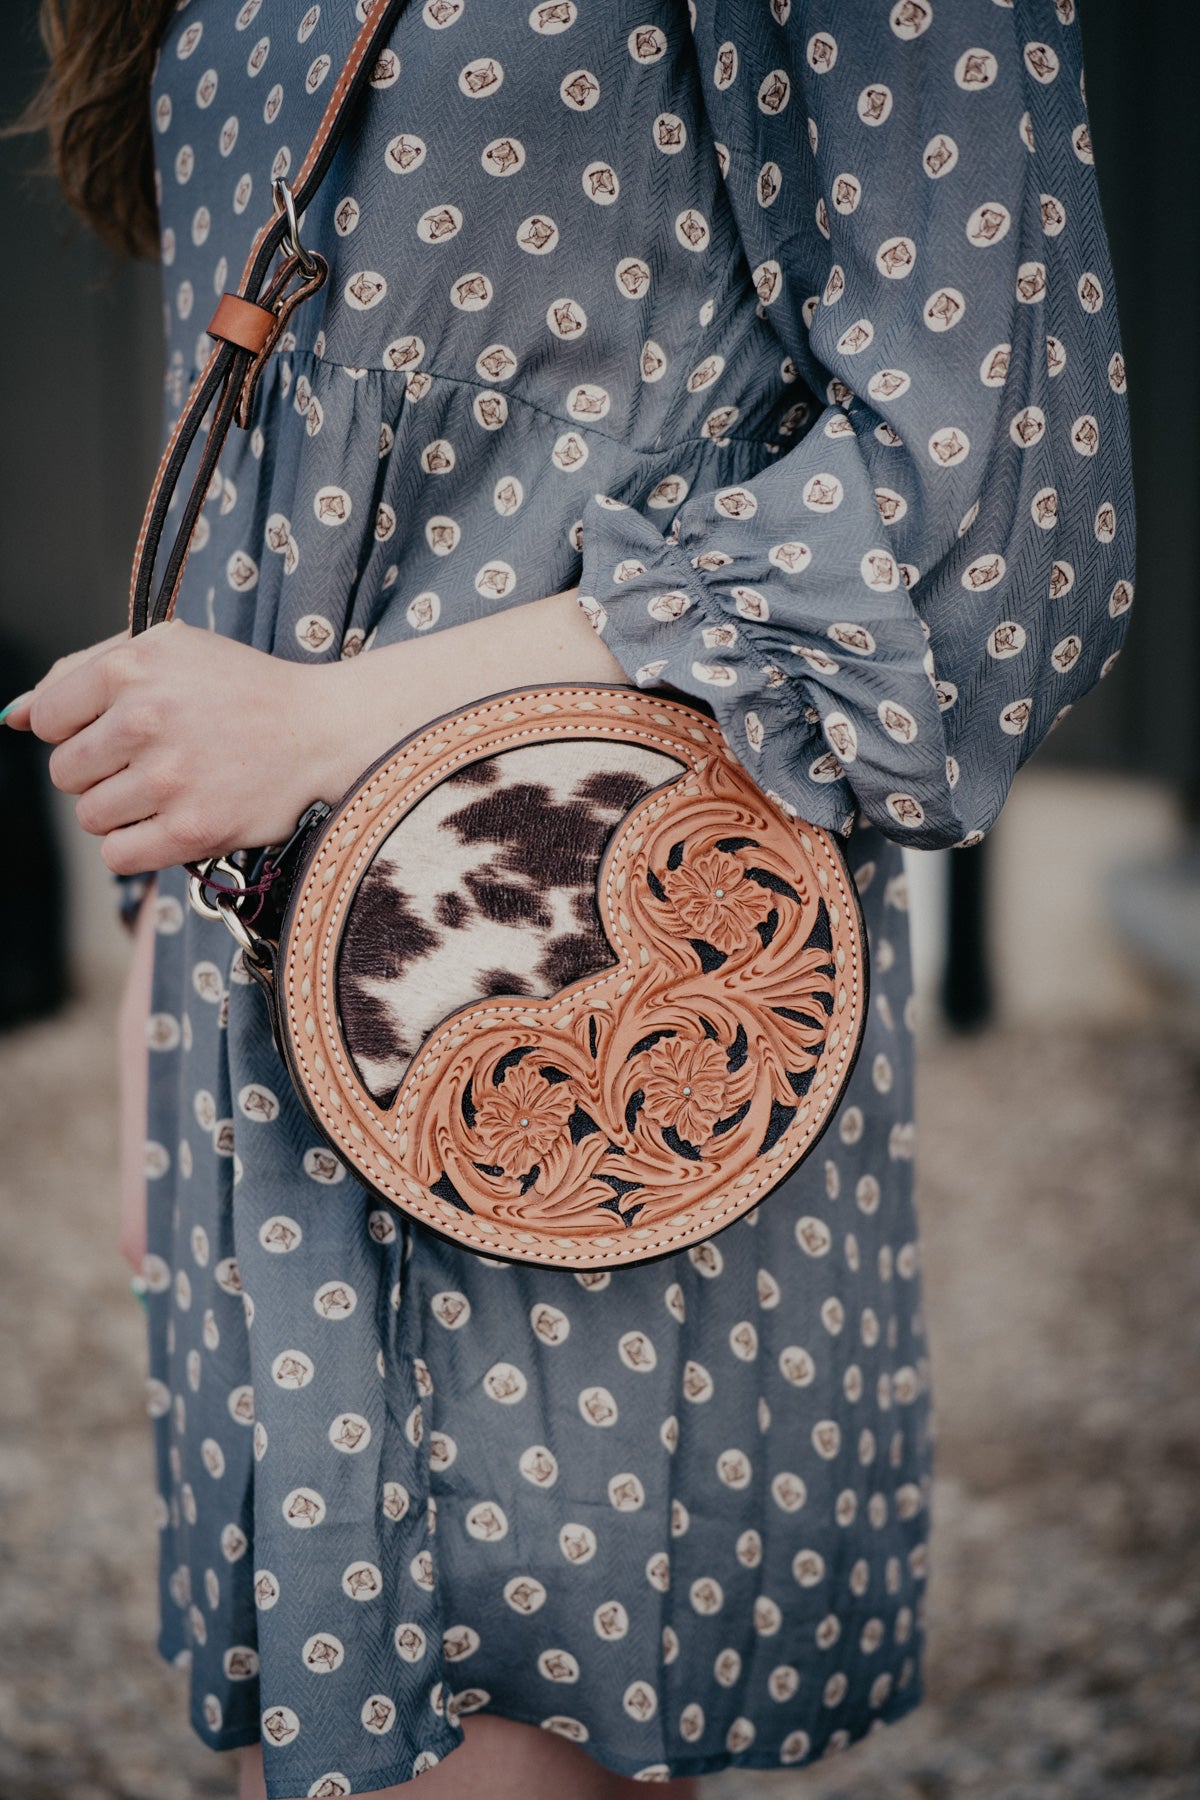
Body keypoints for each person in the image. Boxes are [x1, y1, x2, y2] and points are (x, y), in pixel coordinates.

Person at [7, 2, 1133, 1796]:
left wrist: (324, 726)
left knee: (494, 1728)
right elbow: (252, 446)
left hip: (587, 962)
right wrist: (174, 930)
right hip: (261, 964)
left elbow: (988, 507)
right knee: (325, 1725)